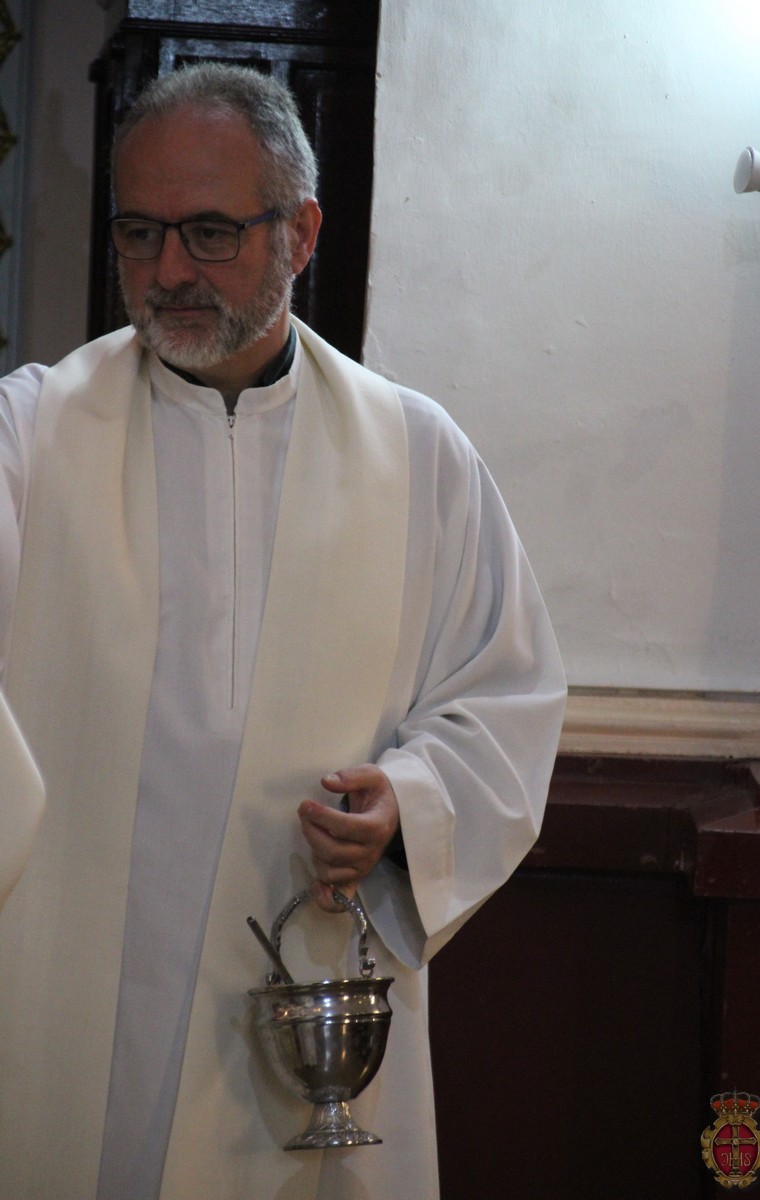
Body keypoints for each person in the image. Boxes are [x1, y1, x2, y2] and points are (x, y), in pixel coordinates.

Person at [0, 63, 566, 1200]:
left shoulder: (419, 457)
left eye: (210, 232)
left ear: (301, 232)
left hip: (302, 1017)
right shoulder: (30, 435)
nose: (168, 271)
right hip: (68, 1006)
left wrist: (407, 806)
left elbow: (503, 699)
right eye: (139, 233)